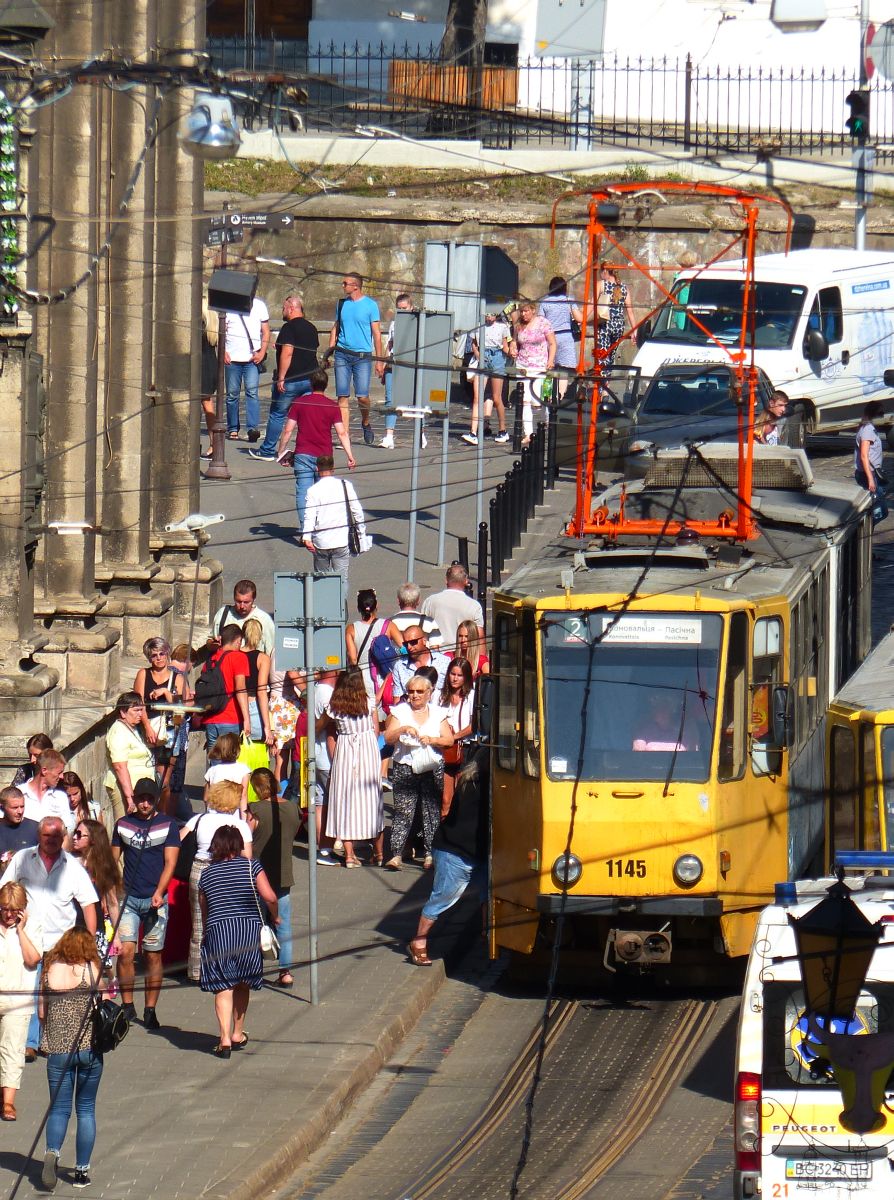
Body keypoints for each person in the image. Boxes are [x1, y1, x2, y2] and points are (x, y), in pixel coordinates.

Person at [1, 817, 98, 1063]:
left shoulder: (73, 867)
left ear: (63, 837)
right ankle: (31, 1043)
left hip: (61, 941)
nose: (51, 840)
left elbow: (88, 904)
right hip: (29, 936)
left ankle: (51, 1040)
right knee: (33, 991)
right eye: (47, 836)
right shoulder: (23, 858)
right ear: (39, 835)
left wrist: (89, 940)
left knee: (55, 994)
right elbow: (5, 887)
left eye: (56, 836)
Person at [198, 826, 279, 1058]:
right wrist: (275, 916)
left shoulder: (207, 874)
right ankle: (237, 1033)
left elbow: (204, 909)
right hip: (247, 933)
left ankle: (223, 1040)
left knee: (223, 987)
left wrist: (206, 932)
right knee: (243, 983)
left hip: (219, 933)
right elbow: (270, 896)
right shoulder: (251, 866)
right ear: (237, 844)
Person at [38, 928, 106, 1191]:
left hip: (58, 1051)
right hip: (89, 1050)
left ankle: (52, 1152)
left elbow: (42, 1013)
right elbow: (107, 1001)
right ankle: (81, 1173)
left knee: (58, 1109)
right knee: (86, 1109)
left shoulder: (49, 971)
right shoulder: (90, 970)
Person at [408, 745, 488, 966]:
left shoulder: (472, 781)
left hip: (480, 852)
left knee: (489, 895)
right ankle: (419, 941)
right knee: (442, 898)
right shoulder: (474, 785)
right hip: (456, 850)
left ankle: (487, 937)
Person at [111, 778, 180, 1029]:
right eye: (141, 798)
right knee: (126, 952)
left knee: (153, 956)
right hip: (129, 899)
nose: (145, 803)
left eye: (150, 799)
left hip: (155, 900)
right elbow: (113, 859)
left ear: (155, 801)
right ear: (135, 799)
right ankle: (128, 1005)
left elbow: (170, 862)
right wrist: (114, 887)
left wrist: (160, 892)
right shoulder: (122, 825)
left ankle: (150, 1008)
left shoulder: (167, 825)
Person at [181, 781, 254, 983]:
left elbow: (178, 840)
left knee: (198, 923)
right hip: (226, 872)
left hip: (199, 869)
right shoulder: (239, 825)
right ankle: (223, 968)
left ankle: (196, 972)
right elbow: (247, 858)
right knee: (224, 921)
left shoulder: (198, 819)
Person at [383, 672, 454, 871]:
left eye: (419, 692)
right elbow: (388, 738)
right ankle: (396, 854)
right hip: (405, 764)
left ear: (429, 693)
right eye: (411, 691)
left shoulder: (438, 713)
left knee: (431, 810)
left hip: (431, 765)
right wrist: (403, 729)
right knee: (403, 810)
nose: (415, 695)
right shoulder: (400, 711)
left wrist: (432, 740)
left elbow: (449, 740)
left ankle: (430, 854)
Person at [275, 367, 356, 530]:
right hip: (324, 457)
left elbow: (288, 430)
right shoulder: (332, 406)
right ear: (325, 386)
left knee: (303, 493)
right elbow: (342, 432)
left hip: (303, 454)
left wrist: (281, 451)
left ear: (311, 384)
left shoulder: (299, 403)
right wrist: (350, 455)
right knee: (324, 494)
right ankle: (321, 528)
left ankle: (306, 530)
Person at [324, 667, 384, 869]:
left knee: (345, 800)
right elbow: (375, 730)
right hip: (367, 748)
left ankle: (349, 856)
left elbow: (330, 730)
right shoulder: (369, 702)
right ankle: (379, 853)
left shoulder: (334, 706)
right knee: (371, 799)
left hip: (345, 749)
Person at [250, 294, 320, 461]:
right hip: (309, 379)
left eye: (283, 308)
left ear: (291, 308)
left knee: (278, 414)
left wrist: (281, 377)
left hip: (291, 380)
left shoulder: (289, 328)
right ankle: (306, 450)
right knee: (305, 416)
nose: (282, 311)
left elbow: (288, 353)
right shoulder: (311, 328)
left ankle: (267, 450)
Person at [250, 767, 300, 987]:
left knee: (256, 923)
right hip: (283, 874)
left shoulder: (254, 810)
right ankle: (286, 971)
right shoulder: (292, 808)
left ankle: (254, 969)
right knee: (284, 924)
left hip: (258, 876)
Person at [324, 270, 384, 446]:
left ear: (355, 285)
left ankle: (365, 422)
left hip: (362, 355)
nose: (343, 286)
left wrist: (379, 361)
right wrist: (330, 350)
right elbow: (336, 328)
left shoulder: (370, 305)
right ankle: (345, 436)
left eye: (345, 283)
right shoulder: (341, 304)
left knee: (362, 396)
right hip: (342, 353)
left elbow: (377, 334)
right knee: (342, 395)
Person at [0, 881, 42, 1120]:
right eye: (4, 908)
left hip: (18, 999)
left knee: (13, 1050)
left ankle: (8, 1103)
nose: (8, 914)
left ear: (23, 909)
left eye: (14, 910)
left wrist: (21, 930)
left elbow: (33, 960)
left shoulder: (33, 927)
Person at [302, 454, 367, 600]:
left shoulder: (313, 490)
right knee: (341, 579)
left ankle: (323, 609)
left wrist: (306, 537)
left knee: (321, 580)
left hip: (320, 543)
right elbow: (357, 511)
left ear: (317, 468)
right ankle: (340, 611)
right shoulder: (345, 485)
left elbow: (309, 515)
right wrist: (361, 534)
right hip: (341, 541)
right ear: (333, 468)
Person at [71, 818, 121, 983]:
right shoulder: (68, 861)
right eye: (74, 833)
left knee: (95, 969)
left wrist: (117, 936)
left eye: (80, 834)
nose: (74, 837)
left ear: (92, 839)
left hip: (94, 925)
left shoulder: (103, 866)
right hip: (70, 924)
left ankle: (106, 989)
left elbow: (113, 903)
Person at [134, 637, 186, 779]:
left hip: (168, 733)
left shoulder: (178, 678)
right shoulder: (143, 674)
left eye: (161, 654)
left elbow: (180, 709)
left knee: (164, 779)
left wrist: (166, 692)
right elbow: (138, 703)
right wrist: (147, 727)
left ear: (167, 654)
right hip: (147, 729)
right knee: (146, 774)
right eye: (154, 655)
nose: (159, 658)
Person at [104, 692, 155, 831]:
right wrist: (129, 797)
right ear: (123, 712)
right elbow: (120, 766)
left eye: (141, 710)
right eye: (136, 710)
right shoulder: (118, 732)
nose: (140, 714)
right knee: (125, 829)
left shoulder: (132, 728)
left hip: (137, 788)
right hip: (124, 788)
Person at [508, 299, 556, 445]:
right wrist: (513, 348)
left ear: (533, 310)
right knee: (524, 400)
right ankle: (528, 433)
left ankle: (546, 423)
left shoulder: (543, 323)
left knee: (539, 400)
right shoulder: (518, 326)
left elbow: (552, 343)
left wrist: (551, 360)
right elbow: (515, 341)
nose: (523, 314)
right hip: (523, 365)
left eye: (526, 311)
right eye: (521, 311)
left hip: (539, 365)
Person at [199, 624, 251, 755]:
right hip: (230, 717)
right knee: (229, 762)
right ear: (238, 640)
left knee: (214, 764)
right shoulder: (239, 657)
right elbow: (240, 689)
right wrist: (247, 719)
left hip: (211, 718)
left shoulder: (210, 660)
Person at [224, 292, 270, 441]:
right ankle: (232, 428)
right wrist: (223, 351)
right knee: (232, 395)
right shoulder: (228, 306)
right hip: (232, 358)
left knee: (252, 394)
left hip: (252, 358)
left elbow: (266, 331)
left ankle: (252, 428)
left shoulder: (259, 305)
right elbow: (220, 331)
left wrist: (262, 352)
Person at [463, 311, 511, 446]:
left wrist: (512, 353)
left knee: (496, 398)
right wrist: (478, 354)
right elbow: (474, 343)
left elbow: (505, 346)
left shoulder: (502, 327)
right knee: (477, 397)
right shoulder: (478, 326)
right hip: (483, 357)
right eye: (487, 314)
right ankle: (473, 432)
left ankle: (503, 429)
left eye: (492, 315)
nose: (489, 317)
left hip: (497, 357)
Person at [346, 588, 400, 702]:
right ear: (377, 606)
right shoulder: (388, 625)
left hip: (362, 680)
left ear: (358, 608)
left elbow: (353, 659)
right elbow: (404, 647)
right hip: (385, 676)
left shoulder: (351, 629)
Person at [439, 658, 476, 815]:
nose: (454, 678)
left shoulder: (472, 696)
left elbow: (475, 725)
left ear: (466, 677)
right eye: (452, 674)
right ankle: (442, 834)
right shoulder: (441, 697)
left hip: (465, 749)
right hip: (445, 750)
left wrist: (454, 737)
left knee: (460, 797)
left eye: (459, 675)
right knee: (446, 799)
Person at [421, 565, 485, 653]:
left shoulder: (430, 601)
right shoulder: (474, 606)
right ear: (466, 581)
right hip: (461, 656)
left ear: (446, 580)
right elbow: (479, 637)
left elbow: (422, 630)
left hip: (436, 655)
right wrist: (483, 662)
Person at [379, 292, 414, 449]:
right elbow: (390, 344)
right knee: (390, 399)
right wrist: (384, 363)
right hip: (394, 363)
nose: (402, 312)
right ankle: (389, 436)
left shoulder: (416, 323)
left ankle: (421, 433)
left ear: (411, 307)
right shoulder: (394, 324)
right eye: (399, 309)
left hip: (411, 365)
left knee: (417, 401)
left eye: (404, 308)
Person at [312, 669, 339, 866]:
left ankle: (322, 849)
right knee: (330, 805)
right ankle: (327, 848)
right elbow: (331, 729)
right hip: (327, 757)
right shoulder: (328, 695)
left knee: (321, 803)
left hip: (316, 753)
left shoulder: (314, 689)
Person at [210, 579, 275, 656]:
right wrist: (214, 644)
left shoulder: (264, 620)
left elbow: (271, 652)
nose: (242, 606)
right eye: (238, 601)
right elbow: (210, 641)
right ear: (234, 598)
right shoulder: (223, 614)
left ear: (254, 599)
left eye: (246, 602)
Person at [20, 749, 74, 835]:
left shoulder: (60, 797)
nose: (61, 777)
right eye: (59, 772)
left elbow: (66, 835)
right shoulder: (19, 794)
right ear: (44, 770)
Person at [390, 625, 450, 701]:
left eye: (413, 642)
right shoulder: (399, 666)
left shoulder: (444, 662)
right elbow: (397, 698)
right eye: (406, 644)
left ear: (424, 641)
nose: (409, 647)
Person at [540, 275, 583, 376]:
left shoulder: (544, 302)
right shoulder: (569, 300)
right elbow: (579, 318)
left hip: (550, 338)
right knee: (567, 370)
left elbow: (541, 322)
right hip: (566, 337)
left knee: (550, 369)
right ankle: (564, 391)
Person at [596, 264, 637, 369]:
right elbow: (630, 311)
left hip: (606, 323)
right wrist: (634, 330)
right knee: (611, 355)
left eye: (601, 271)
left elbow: (592, 305)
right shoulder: (624, 288)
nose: (600, 274)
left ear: (605, 271)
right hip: (619, 325)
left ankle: (602, 382)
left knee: (602, 355)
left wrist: (583, 319)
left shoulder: (602, 284)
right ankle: (607, 379)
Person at [855, 400, 888, 526]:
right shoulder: (868, 429)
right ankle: (862, 530)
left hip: (872, 473)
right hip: (869, 474)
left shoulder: (870, 428)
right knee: (881, 511)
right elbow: (864, 456)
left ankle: (867, 529)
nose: (883, 415)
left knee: (876, 509)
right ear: (874, 413)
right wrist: (870, 479)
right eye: (881, 412)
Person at [204, 732, 250, 819]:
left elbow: (206, 798)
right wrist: (244, 821)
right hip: (234, 815)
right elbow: (243, 797)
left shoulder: (212, 770)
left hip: (213, 815)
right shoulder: (243, 770)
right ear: (237, 749)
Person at [387, 582, 441, 647]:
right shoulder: (429, 622)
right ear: (418, 601)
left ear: (398, 601)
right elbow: (435, 647)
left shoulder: (389, 623)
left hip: (398, 656)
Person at [199, 301, 219, 460]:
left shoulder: (201, 324)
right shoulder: (212, 323)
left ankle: (214, 444)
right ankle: (214, 443)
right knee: (207, 403)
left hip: (202, 365)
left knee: (205, 403)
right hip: (210, 362)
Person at [0, 786, 39, 865]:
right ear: (2, 807)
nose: (20, 811)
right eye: (14, 808)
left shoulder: (35, 828)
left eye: (22, 806)